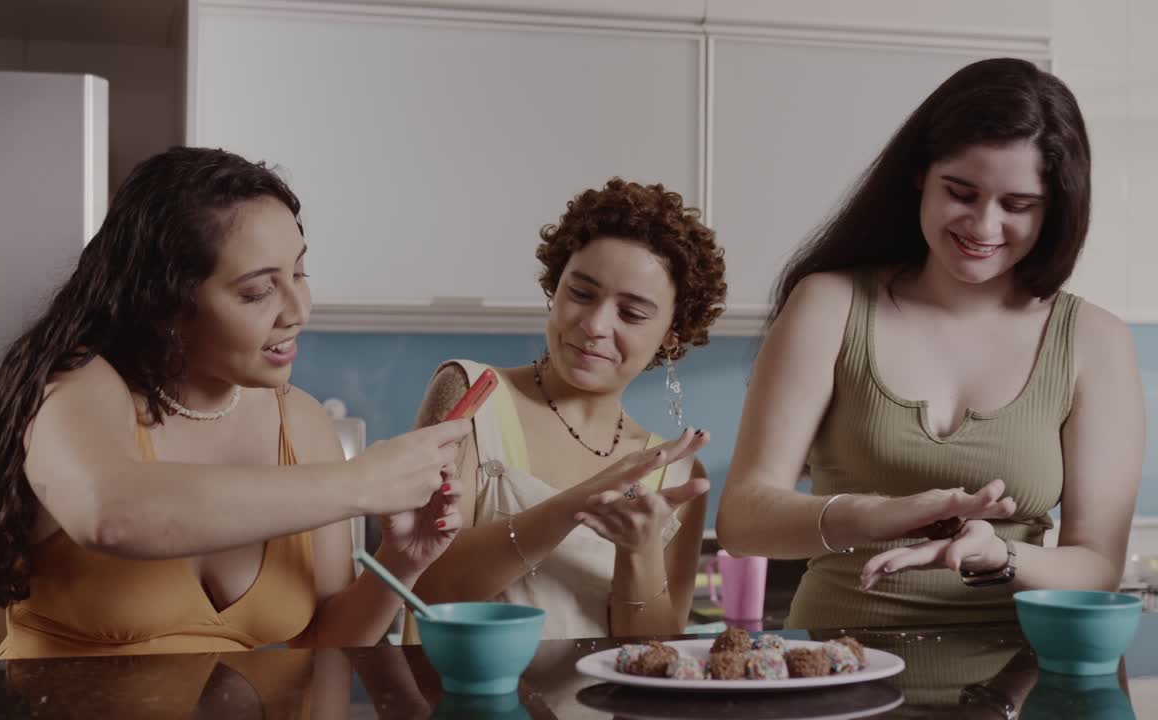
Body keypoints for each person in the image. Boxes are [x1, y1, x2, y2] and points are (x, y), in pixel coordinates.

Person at [0, 147, 470, 658]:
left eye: (300, 274)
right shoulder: (81, 383)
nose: (297, 311)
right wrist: (361, 483)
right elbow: (111, 513)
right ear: (168, 299)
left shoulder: (301, 423)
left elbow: (323, 641)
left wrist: (400, 562)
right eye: (257, 292)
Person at [716, 57, 1144, 629]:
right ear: (920, 173)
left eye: (1017, 206)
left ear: (1055, 209)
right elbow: (744, 520)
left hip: (1017, 683)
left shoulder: (1095, 341)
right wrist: (884, 514)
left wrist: (1000, 555)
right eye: (961, 192)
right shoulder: (830, 305)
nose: (984, 227)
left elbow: (1097, 566)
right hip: (836, 673)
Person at [409, 178, 727, 639]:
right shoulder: (472, 394)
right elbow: (424, 592)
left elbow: (655, 657)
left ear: (671, 335)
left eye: (632, 314)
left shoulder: (673, 476)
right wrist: (573, 505)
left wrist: (639, 552)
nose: (595, 324)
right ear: (554, 288)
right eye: (581, 293)